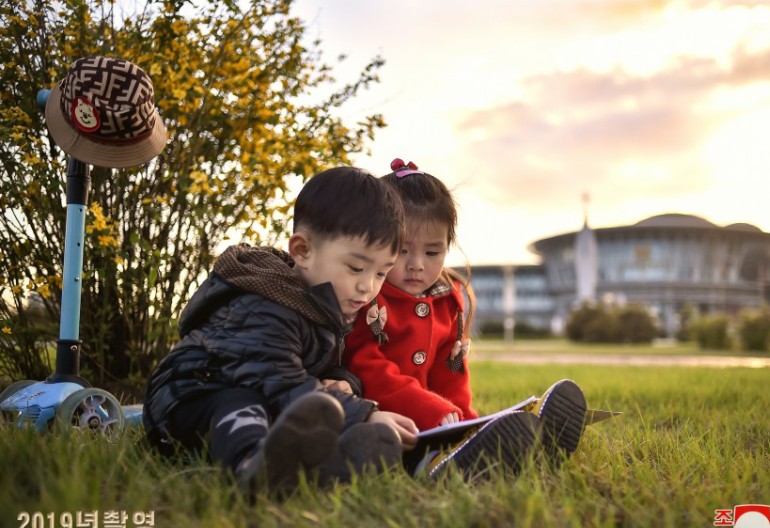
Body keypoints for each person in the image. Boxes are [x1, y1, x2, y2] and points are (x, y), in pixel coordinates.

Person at [143, 167, 419, 494]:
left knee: (305, 413)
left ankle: (329, 464)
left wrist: (342, 382)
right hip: (188, 402)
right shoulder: (265, 304)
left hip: (263, 400)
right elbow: (279, 382)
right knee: (243, 401)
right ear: (302, 251)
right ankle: (253, 467)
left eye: (381, 274)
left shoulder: (326, 304)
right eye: (356, 268)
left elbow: (317, 368)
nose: (367, 286)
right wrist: (362, 414)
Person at [344, 159, 588, 478]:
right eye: (403, 250)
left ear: (448, 247)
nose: (417, 264)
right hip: (377, 416)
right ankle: (440, 470)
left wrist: (467, 422)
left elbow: (451, 373)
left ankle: (523, 450)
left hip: (433, 420)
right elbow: (365, 366)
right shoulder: (367, 293)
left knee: (467, 435)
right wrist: (432, 410)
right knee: (406, 452)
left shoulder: (447, 300)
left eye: (433, 253)